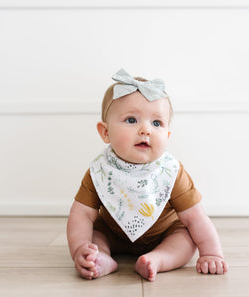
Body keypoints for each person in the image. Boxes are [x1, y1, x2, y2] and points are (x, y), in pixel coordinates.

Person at [67, 69, 228, 281]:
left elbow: (196, 217)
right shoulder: (100, 171)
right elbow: (82, 215)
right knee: (95, 236)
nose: (146, 130)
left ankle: (158, 259)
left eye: (156, 123)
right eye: (131, 120)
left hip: (163, 235)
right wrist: (80, 248)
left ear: (167, 135)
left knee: (186, 239)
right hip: (113, 233)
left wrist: (211, 253)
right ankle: (100, 258)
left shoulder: (172, 172)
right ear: (105, 132)